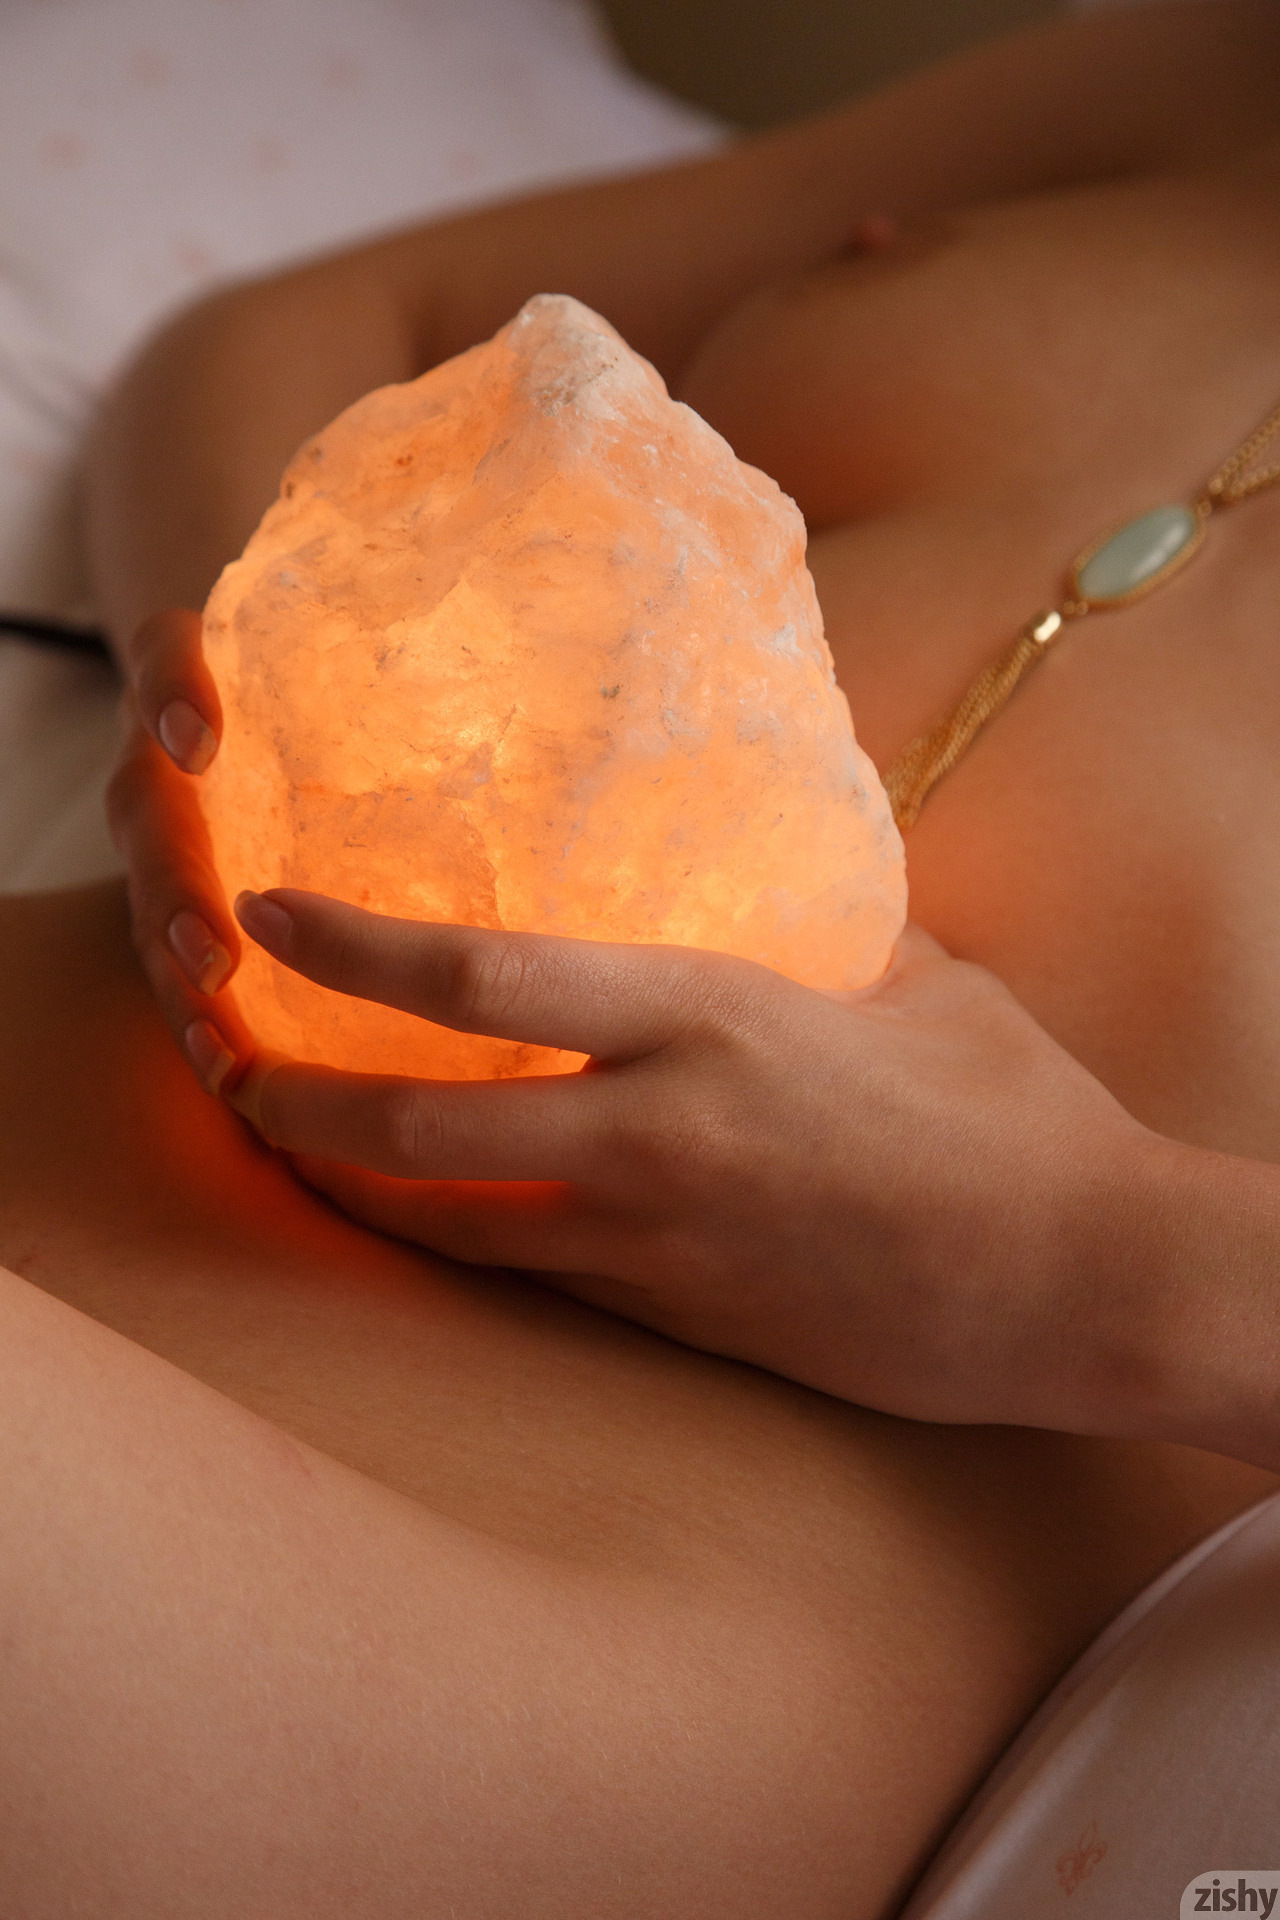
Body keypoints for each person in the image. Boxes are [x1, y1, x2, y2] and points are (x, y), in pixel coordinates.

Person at [3, 1, 1279, 1911]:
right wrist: (269, 695)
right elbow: (337, 324)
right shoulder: (1227, 75)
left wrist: (1084, 1251)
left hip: (516, 1573)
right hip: (105, 1065)